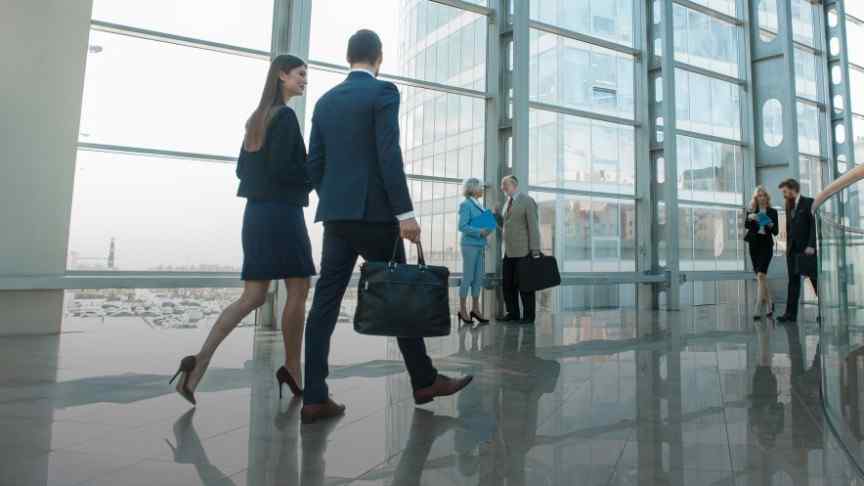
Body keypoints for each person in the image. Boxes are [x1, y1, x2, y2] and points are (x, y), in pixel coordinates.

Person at [300, 29, 473, 424]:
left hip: (337, 217)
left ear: (348, 57)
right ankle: (425, 380)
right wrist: (405, 213)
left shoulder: (325, 102)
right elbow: (388, 153)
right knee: (398, 295)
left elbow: (315, 166)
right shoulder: (383, 93)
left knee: (324, 303)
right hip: (377, 215)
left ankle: (314, 396)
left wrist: (337, 198)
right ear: (378, 57)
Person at [170, 55, 315, 405]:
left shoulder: (256, 119)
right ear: (282, 75)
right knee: (298, 288)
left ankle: (198, 363)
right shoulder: (287, 117)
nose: (304, 80)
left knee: (252, 296)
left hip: (256, 215)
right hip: (282, 214)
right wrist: (315, 172)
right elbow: (285, 169)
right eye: (300, 74)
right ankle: (293, 369)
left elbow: (240, 171)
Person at [496, 175, 541, 324]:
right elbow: (505, 226)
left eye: (505, 185)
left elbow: (533, 226)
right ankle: (513, 313)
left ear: (514, 185)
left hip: (523, 251)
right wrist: (496, 216)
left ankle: (529, 316)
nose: (502, 187)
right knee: (508, 284)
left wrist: (535, 249)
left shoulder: (527, 201)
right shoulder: (507, 203)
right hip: (508, 251)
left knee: (525, 285)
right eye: (502, 185)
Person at [776, 179, 818, 324]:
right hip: (792, 251)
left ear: (793, 189)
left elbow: (814, 226)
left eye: (785, 192)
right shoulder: (788, 205)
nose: (784, 195)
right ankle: (790, 314)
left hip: (807, 250)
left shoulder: (809, 202)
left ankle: (823, 312)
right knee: (793, 283)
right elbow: (789, 229)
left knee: (815, 281)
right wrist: (786, 248)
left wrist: (811, 245)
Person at [457, 178, 492, 325]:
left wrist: (488, 228)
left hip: (480, 246)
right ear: (473, 189)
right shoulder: (466, 205)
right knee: (468, 277)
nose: (482, 189)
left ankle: (476, 309)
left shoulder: (480, 205)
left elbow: (485, 225)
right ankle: (462, 310)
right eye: (480, 187)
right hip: (469, 245)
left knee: (478, 278)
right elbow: (462, 226)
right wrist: (479, 232)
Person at [745, 186, 779, 320]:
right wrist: (750, 218)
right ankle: (770, 303)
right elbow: (747, 226)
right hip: (754, 246)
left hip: (766, 246)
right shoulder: (752, 210)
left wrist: (769, 223)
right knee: (762, 277)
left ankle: (758, 307)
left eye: (763, 195)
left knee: (760, 275)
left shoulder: (772, 212)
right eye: (759, 195)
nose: (761, 197)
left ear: (767, 197)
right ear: (756, 198)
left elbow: (775, 231)